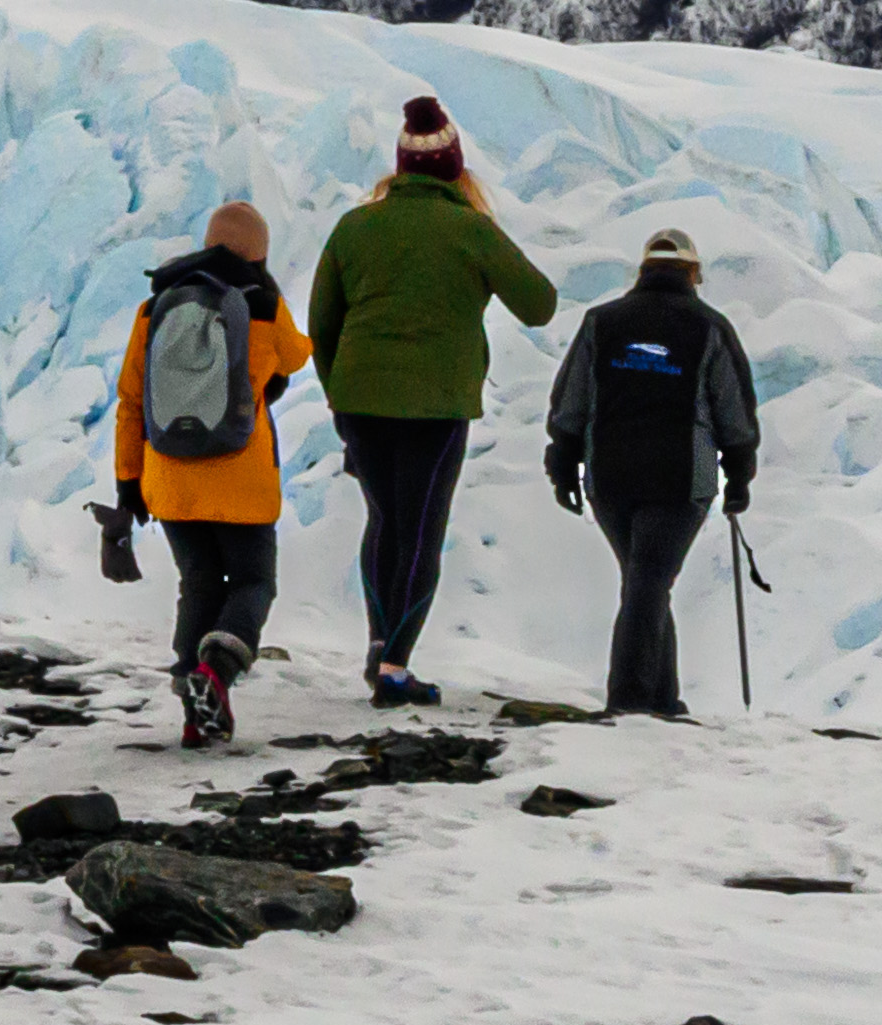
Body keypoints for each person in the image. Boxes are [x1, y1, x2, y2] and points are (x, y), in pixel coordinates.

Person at [307, 93, 558, 706]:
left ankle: (377, 643)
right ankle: (394, 665)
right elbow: (540, 303)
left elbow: (322, 323)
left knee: (384, 520)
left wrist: (343, 394)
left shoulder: (354, 226)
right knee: (421, 531)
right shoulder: (471, 230)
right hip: (437, 406)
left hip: (360, 401)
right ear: (453, 167)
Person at [110, 202, 311, 747]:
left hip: (171, 478)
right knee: (252, 582)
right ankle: (215, 672)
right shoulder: (262, 302)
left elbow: (131, 399)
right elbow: (295, 356)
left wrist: (130, 483)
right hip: (239, 479)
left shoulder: (156, 306)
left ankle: (193, 710)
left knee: (198, 581)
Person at [546, 226, 760, 720]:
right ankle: (635, 704)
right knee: (649, 582)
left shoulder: (601, 322)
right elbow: (735, 413)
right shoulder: (710, 327)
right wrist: (740, 475)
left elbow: (571, 402)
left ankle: (661, 700)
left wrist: (562, 462)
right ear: (693, 273)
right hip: (685, 481)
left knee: (644, 580)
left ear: (643, 271)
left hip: (610, 478)